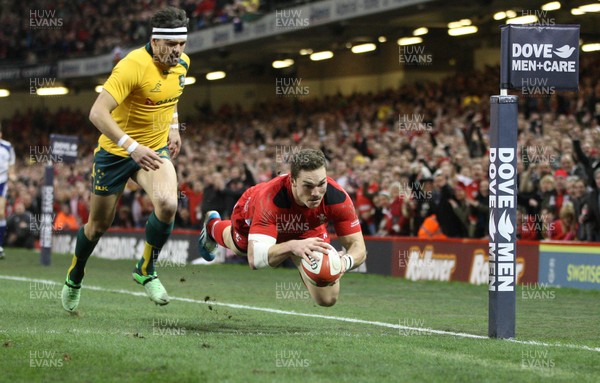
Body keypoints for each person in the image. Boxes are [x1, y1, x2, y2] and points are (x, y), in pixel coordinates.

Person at [61, 7, 191, 312]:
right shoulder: (131, 66)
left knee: (168, 204)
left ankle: (146, 269)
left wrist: (173, 127)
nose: (178, 51)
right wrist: (131, 146)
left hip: (154, 149)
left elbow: (172, 97)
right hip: (116, 153)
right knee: (98, 226)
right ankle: (75, 275)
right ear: (155, 40)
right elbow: (96, 112)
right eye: (172, 45)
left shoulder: (183, 63)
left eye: (182, 44)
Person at [198, 149, 366, 307]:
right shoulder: (270, 199)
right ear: (293, 180)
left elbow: (359, 248)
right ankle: (213, 225)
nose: (316, 193)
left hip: (306, 229)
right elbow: (255, 260)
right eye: (308, 186)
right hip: (254, 211)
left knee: (327, 298)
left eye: (321, 184)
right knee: (240, 247)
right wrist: (292, 246)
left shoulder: (337, 197)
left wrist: (344, 263)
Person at [0, 121, 16, 259]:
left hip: (2, 182)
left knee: (0, 212)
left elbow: (11, 164)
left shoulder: (7, 146)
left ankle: (0, 246)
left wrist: (12, 176)